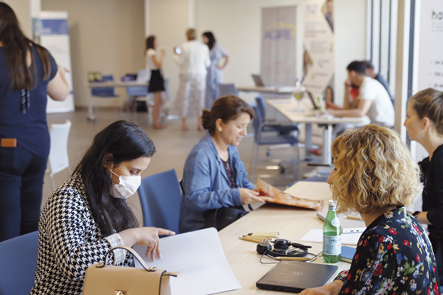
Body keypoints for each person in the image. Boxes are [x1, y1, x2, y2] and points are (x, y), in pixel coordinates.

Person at [30, 121, 175, 295]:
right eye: (133, 171)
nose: (137, 180)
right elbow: (74, 265)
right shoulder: (66, 200)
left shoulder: (112, 192)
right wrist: (131, 236)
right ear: (108, 161)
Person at [300, 124, 440, 295]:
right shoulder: (406, 221)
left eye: (337, 169)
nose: (330, 180)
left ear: (359, 179)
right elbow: (363, 274)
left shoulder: (378, 239)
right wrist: (334, 286)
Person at [0, 3, 70, 242]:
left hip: (6, 149)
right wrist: (57, 70)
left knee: (6, 220)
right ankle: (31, 274)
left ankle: (7, 277)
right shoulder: (40, 54)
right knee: (31, 216)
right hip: (39, 146)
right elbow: (61, 93)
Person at [179, 96, 264, 233]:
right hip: (207, 228)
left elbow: (241, 181)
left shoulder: (230, 148)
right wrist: (236, 196)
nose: (244, 133)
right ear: (220, 124)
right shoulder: (201, 155)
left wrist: (257, 192)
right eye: (239, 126)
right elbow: (195, 200)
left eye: (246, 127)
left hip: (228, 219)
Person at [404, 88, 443, 287]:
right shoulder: (432, 158)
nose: (405, 122)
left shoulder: (441, 159)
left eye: (409, 116)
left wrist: (411, 217)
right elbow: (409, 173)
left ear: (425, 123)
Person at [326, 61, 394, 137]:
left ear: (352, 73)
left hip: (384, 128)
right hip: (379, 126)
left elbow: (360, 113)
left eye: (348, 75)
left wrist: (332, 112)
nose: (348, 78)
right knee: (343, 129)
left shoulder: (368, 85)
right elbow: (348, 108)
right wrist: (346, 89)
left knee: (344, 131)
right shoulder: (365, 84)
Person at [172, 28, 211, 131]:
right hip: (200, 75)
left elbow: (180, 62)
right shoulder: (204, 47)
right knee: (200, 99)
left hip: (186, 75)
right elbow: (208, 63)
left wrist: (175, 54)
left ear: (187, 36)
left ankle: (184, 124)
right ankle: (200, 124)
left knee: (184, 98)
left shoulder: (183, 46)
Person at [202, 31, 229, 109]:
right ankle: (208, 110)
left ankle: (217, 109)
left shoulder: (217, 47)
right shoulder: (204, 47)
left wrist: (222, 66)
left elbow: (228, 56)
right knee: (207, 92)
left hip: (215, 71)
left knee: (217, 90)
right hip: (207, 71)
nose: (203, 39)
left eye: (204, 38)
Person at [145, 35, 167, 129]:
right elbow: (158, 65)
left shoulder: (151, 52)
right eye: (156, 40)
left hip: (157, 75)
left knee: (162, 100)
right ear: (153, 42)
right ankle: (156, 122)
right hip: (155, 75)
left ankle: (158, 120)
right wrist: (162, 55)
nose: (157, 41)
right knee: (157, 101)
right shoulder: (151, 52)